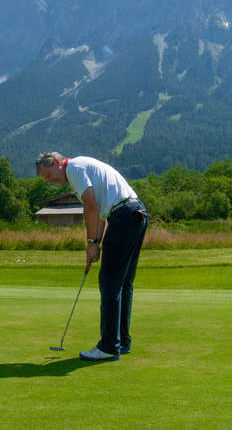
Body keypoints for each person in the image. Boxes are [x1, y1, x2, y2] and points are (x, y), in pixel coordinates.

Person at [36, 152, 149, 362]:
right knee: (123, 284)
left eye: (50, 175)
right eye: (46, 180)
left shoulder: (74, 169)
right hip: (136, 214)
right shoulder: (81, 169)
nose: (51, 182)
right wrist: (95, 244)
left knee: (110, 284)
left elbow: (91, 207)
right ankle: (121, 342)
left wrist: (90, 244)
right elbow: (101, 216)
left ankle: (108, 347)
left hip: (124, 216)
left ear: (59, 163)